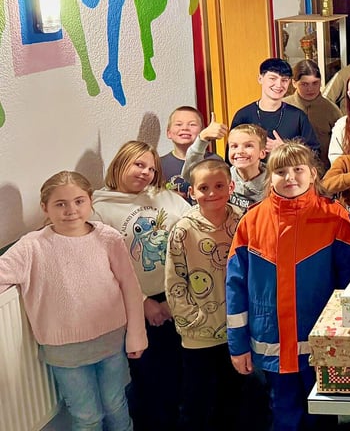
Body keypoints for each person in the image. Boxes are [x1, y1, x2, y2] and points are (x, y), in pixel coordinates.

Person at [226, 142, 350, 431]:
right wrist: (237, 346)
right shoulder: (252, 221)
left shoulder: (335, 217)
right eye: (280, 171)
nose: (290, 177)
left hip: (322, 346)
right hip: (272, 345)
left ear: (313, 173)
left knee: (321, 417)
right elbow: (235, 289)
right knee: (283, 416)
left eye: (298, 169)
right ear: (269, 176)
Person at [0, 171, 146, 431]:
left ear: (91, 201)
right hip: (65, 353)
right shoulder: (31, 247)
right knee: (86, 415)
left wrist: (136, 335)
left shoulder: (108, 238)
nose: (71, 210)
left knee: (116, 404)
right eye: (60, 204)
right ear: (45, 207)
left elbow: (130, 288)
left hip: (110, 341)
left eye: (79, 201)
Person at [91, 141, 191, 431]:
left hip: (177, 295)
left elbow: (193, 230)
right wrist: (144, 301)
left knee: (181, 372)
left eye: (151, 168)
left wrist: (178, 296)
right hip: (134, 302)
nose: (146, 172)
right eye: (139, 165)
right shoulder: (99, 206)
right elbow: (101, 265)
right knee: (149, 376)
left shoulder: (165, 197)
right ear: (120, 163)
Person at [164, 159, 245, 430]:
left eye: (219, 186)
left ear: (231, 186)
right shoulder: (183, 230)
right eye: (204, 187)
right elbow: (175, 279)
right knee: (197, 398)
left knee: (234, 397)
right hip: (199, 332)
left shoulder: (243, 222)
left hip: (238, 327)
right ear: (192, 191)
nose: (212, 193)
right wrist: (192, 318)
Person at [231, 58, 319, 152]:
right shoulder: (243, 116)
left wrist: (285, 150)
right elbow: (231, 157)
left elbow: (314, 155)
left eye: (284, 80)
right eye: (273, 78)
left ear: (289, 82)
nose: (279, 85)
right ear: (260, 79)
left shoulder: (298, 117)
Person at [186, 123, 268, 211]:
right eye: (234, 146)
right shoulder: (222, 175)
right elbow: (191, 175)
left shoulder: (273, 181)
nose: (240, 151)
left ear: (262, 153)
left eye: (248, 146)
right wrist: (202, 139)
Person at [283, 60, 343, 167]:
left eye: (315, 83)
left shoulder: (331, 110)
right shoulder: (283, 107)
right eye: (304, 84)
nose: (310, 89)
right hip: (288, 168)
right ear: (294, 83)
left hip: (323, 172)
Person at [161, 106, 219, 197]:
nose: (185, 128)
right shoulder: (159, 164)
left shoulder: (215, 161)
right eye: (178, 124)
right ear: (168, 133)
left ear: (203, 131)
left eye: (192, 124)